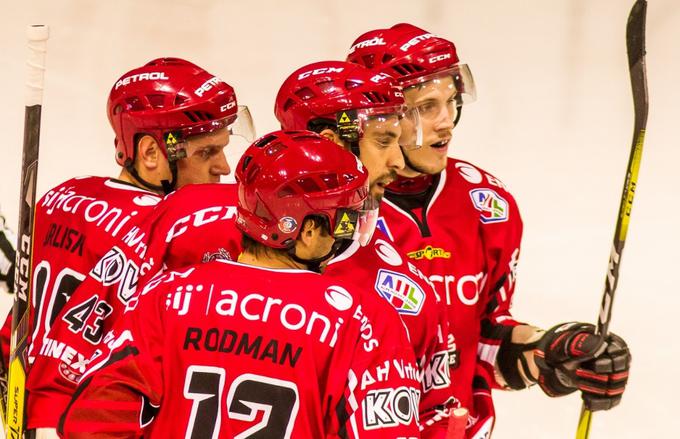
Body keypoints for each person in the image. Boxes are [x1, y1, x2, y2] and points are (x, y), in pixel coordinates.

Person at [346, 23, 631, 437]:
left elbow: (479, 342)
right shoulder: (326, 215)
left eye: (451, 101)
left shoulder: (489, 205)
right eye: (426, 107)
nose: (447, 122)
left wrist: (549, 353)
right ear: (379, 117)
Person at [59, 130, 421, 438]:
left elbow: (93, 418)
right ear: (307, 231)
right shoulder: (365, 320)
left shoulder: (168, 295)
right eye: (346, 219)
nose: (352, 231)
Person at [16, 57, 255, 435]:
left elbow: (20, 314)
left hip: (32, 404)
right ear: (149, 153)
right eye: (206, 153)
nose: (224, 168)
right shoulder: (175, 228)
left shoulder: (58, 197)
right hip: (97, 419)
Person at [275, 60, 455, 437]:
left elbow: (435, 412)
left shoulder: (407, 291)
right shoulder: (205, 242)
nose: (395, 161)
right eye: (384, 142)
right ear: (329, 144)